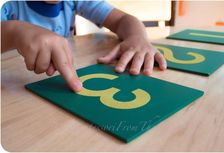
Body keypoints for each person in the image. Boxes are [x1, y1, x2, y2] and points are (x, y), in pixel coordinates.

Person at [1, 1, 167, 92]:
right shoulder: (10, 9)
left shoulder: (74, 2)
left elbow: (122, 20)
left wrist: (137, 36)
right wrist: (12, 31)